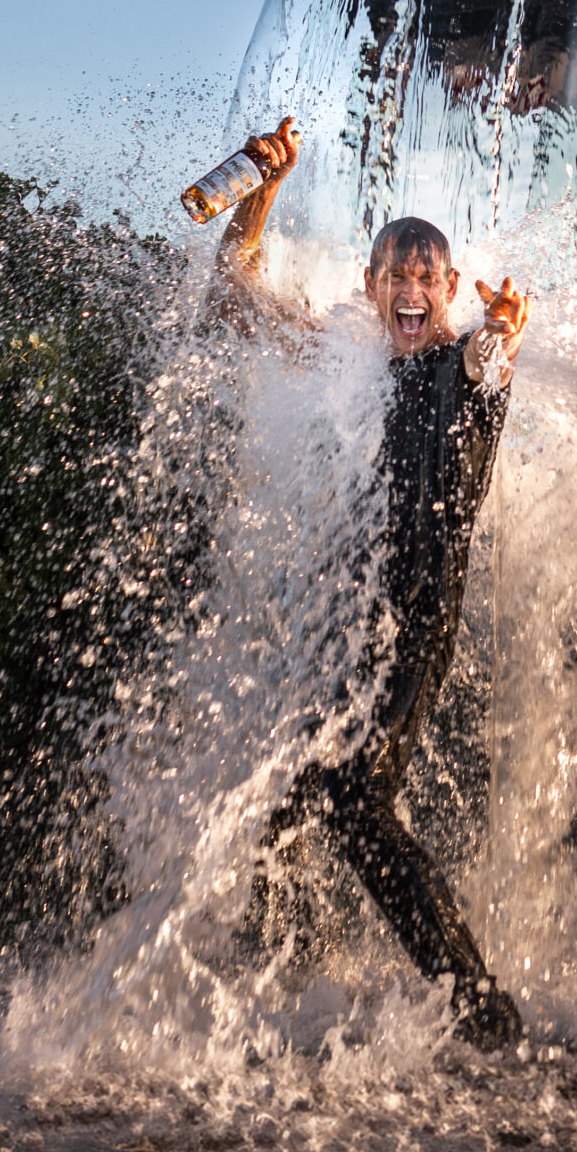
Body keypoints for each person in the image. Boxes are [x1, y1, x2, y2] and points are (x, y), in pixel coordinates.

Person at [216, 116, 530, 1048]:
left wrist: (506, 328)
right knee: (288, 786)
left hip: (423, 613)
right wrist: (261, 192)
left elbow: (495, 357)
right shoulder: (353, 359)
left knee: (354, 797)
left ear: (446, 294)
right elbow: (237, 294)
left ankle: (482, 1013)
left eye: (426, 276)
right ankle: (285, 978)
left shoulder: (458, 366)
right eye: (392, 272)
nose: (408, 287)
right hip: (362, 614)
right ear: (369, 286)